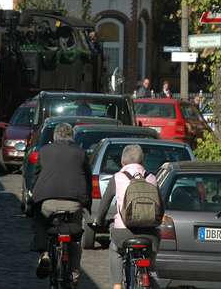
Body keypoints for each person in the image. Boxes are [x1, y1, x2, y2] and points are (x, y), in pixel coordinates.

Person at [31, 123, 92, 284]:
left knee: (40, 222)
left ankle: (44, 253)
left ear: (55, 136)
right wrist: (87, 203)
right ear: (72, 136)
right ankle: (74, 271)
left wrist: (33, 197)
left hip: (47, 202)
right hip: (74, 203)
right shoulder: (80, 152)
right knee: (75, 238)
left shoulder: (44, 151)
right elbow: (87, 178)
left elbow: (36, 176)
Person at [94, 145, 160, 289]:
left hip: (124, 232)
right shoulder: (152, 178)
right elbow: (161, 207)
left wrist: (99, 221)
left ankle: (117, 285)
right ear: (142, 162)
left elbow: (104, 205)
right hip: (149, 233)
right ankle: (150, 274)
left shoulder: (117, 178)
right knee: (150, 256)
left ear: (123, 162)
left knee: (115, 249)